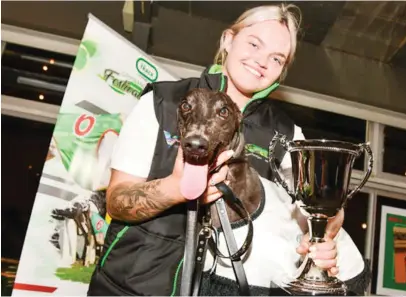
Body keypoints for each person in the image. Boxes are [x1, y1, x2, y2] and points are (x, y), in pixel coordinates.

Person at [87, 3, 370, 296]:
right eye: (254, 44)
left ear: (282, 71)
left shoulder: (286, 136)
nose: (261, 61)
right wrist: (174, 190)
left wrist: (323, 238)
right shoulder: (163, 102)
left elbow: (318, 209)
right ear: (228, 40)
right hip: (131, 285)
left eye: (276, 58)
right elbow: (117, 201)